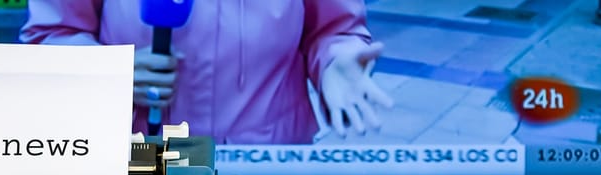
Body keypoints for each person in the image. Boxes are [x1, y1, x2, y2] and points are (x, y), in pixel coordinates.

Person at [19, 0, 393, 144]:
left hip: (267, 163)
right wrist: (108, 72)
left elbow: (332, 29)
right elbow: (51, 34)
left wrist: (335, 62)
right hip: (135, 160)